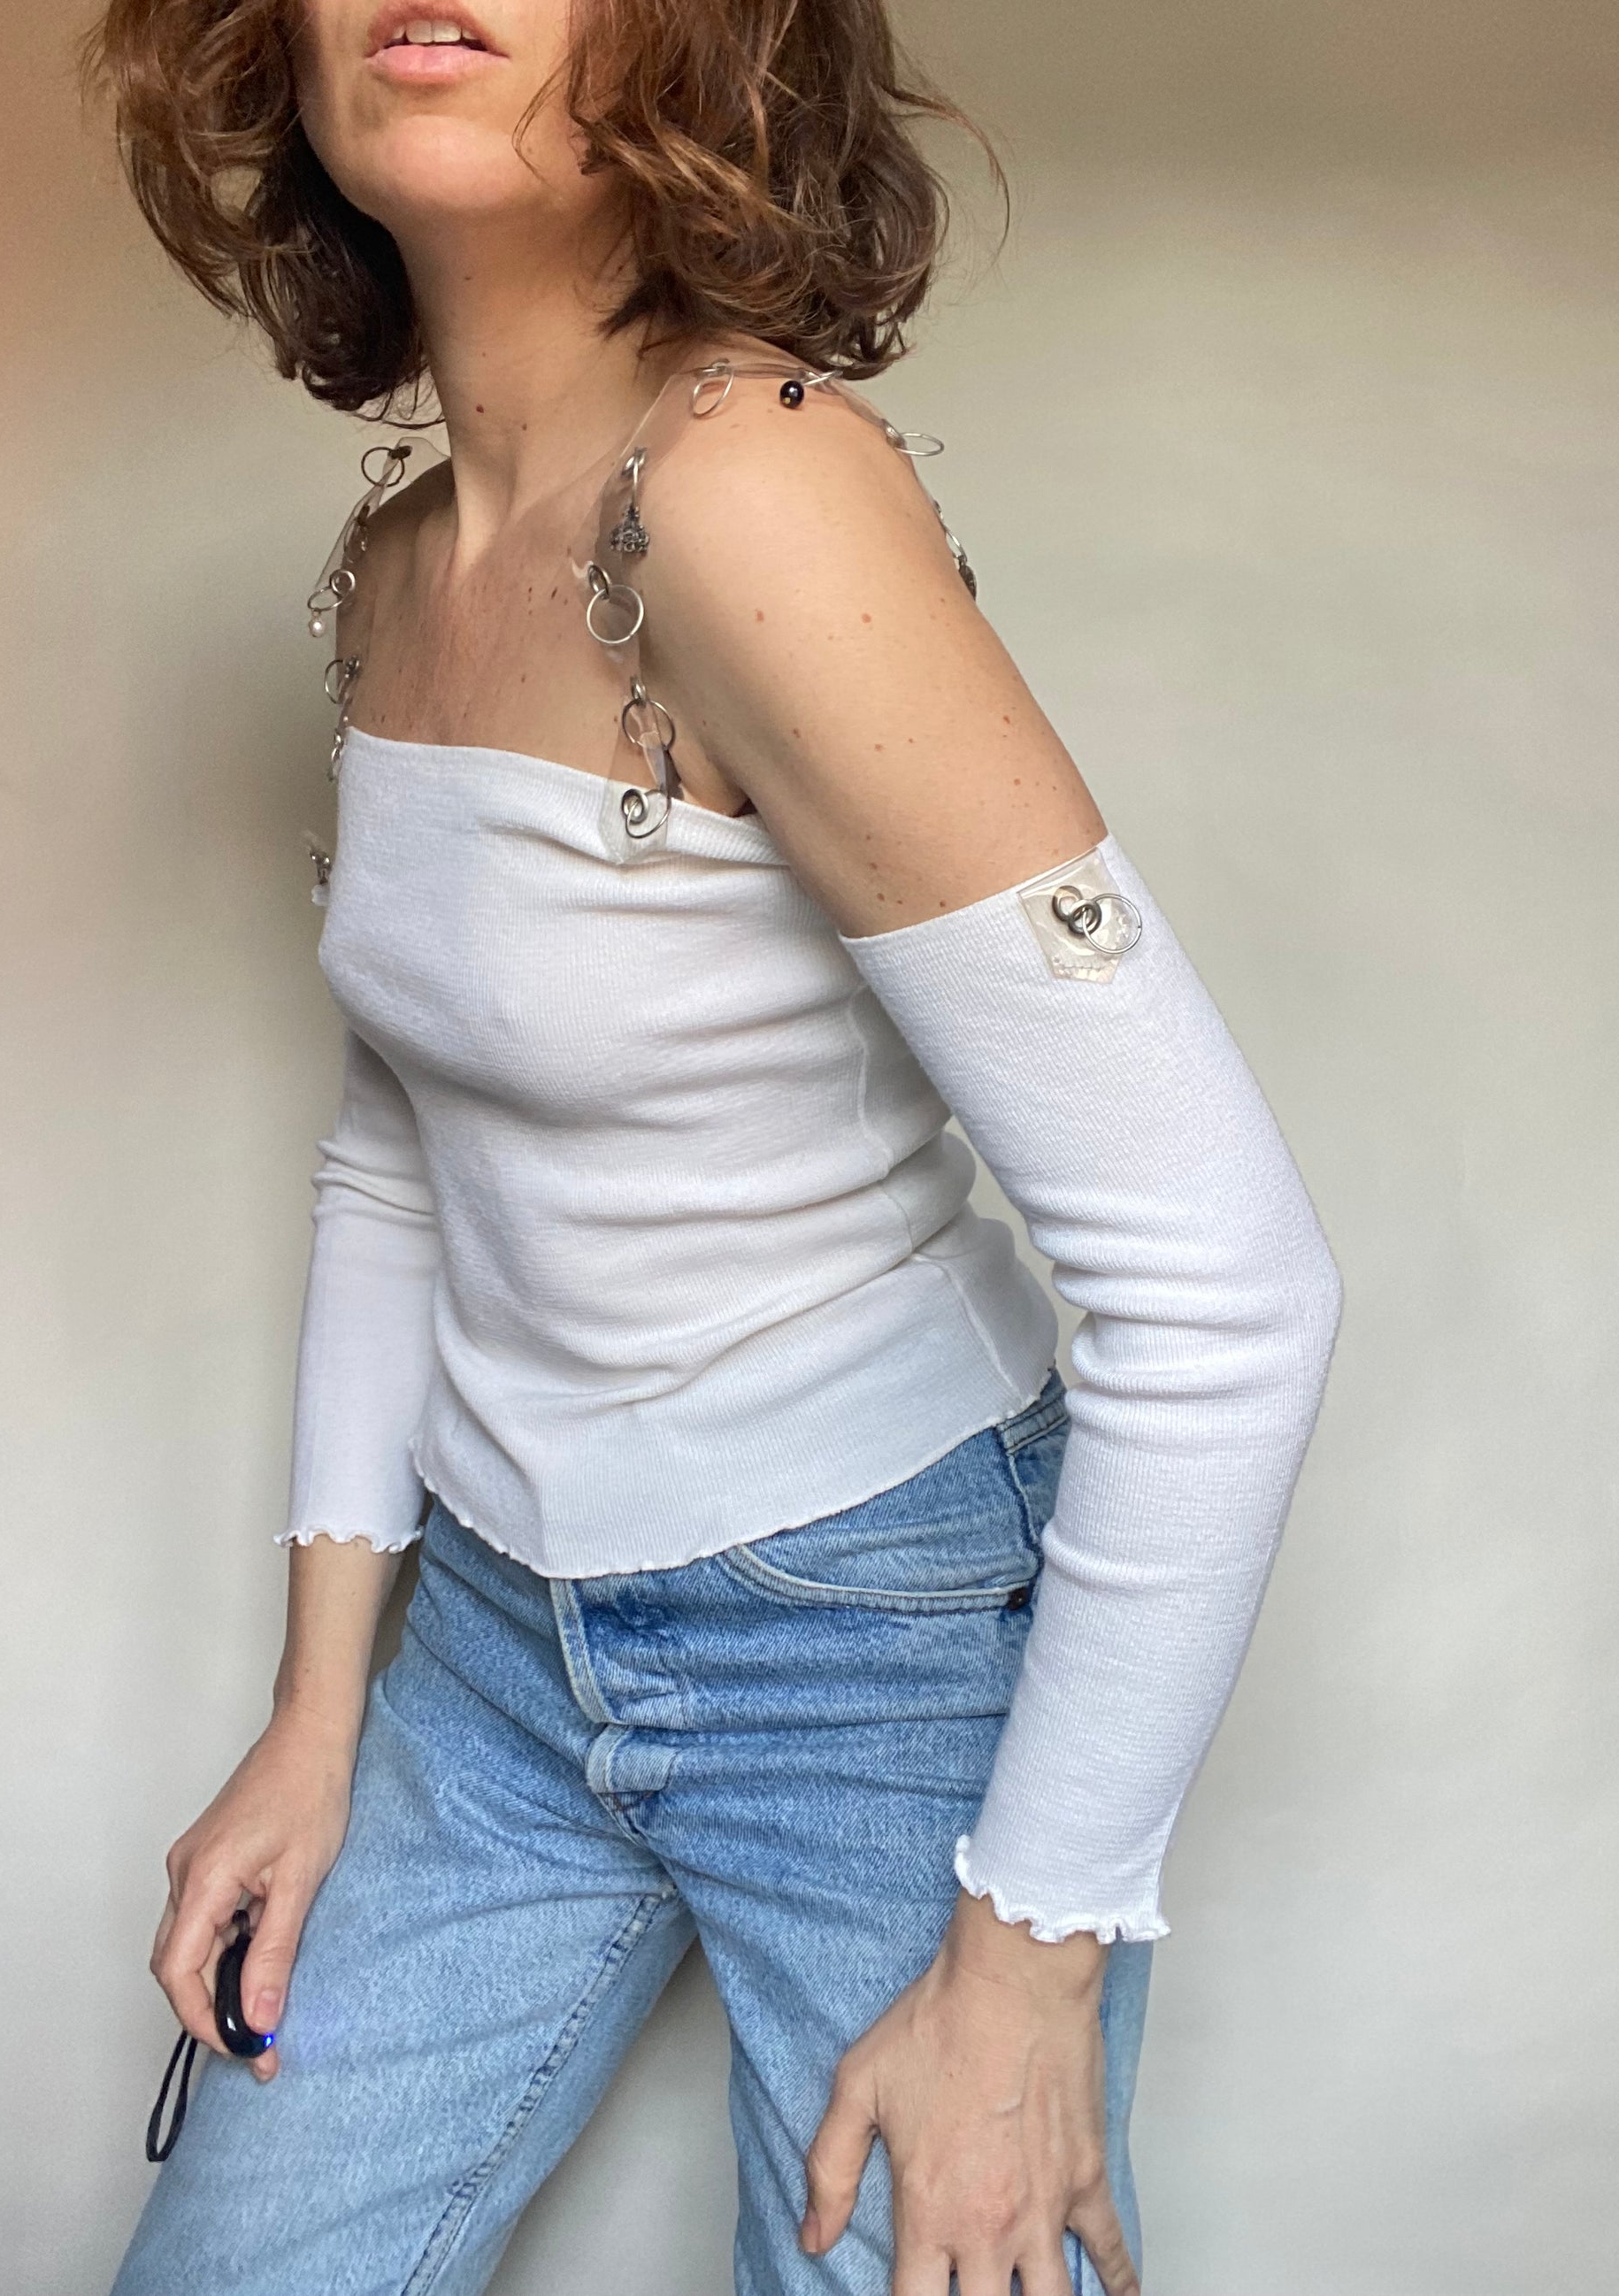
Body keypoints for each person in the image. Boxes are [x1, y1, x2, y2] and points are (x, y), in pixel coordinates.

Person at [91, 2, 1341, 2291]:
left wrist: (1026, 1967)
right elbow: (407, 1145)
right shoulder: (402, 562)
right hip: (489, 1638)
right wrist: (315, 1709)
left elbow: (1227, 1288)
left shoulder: (758, 497)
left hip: (871, 1650)